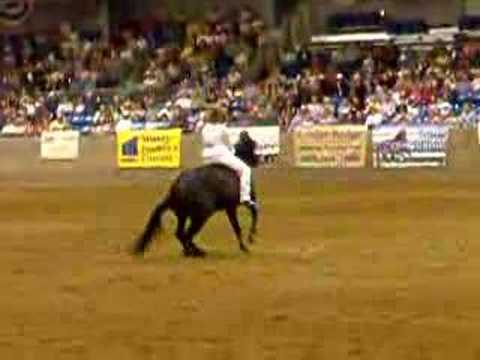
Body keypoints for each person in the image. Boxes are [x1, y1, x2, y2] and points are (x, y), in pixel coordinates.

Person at [201, 107, 257, 210]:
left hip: (206, 156)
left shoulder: (205, 128)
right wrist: (233, 152)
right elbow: (229, 145)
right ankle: (245, 197)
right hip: (220, 154)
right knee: (245, 170)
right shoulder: (223, 128)